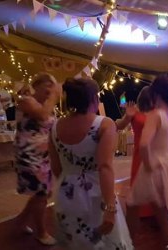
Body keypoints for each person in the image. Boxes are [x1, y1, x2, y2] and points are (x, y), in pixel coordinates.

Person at [48, 78, 133, 249]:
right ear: (93, 99)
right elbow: (105, 167)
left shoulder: (55, 127)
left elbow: (56, 168)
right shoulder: (103, 124)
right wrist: (110, 208)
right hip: (96, 195)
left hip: (66, 193)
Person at [128, 74, 168, 250]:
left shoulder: (155, 115)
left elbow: (144, 144)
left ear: (155, 93)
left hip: (154, 166)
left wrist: (147, 165)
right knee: (161, 214)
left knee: (131, 205)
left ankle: (128, 244)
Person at [14, 72, 60, 245]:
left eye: (53, 85)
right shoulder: (26, 101)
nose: (50, 89)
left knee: (44, 192)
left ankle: (20, 221)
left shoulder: (46, 105)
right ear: (37, 85)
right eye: (47, 85)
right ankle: (41, 232)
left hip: (43, 155)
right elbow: (41, 115)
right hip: (29, 155)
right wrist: (54, 96)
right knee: (41, 193)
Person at [115, 86, 154, 238]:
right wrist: (127, 116)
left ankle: (152, 211)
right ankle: (140, 214)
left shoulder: (157, 113)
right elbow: (119, 126)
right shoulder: (135, 111)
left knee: (152, 182)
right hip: (139, 155)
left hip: (153, 153)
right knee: (139, 183)